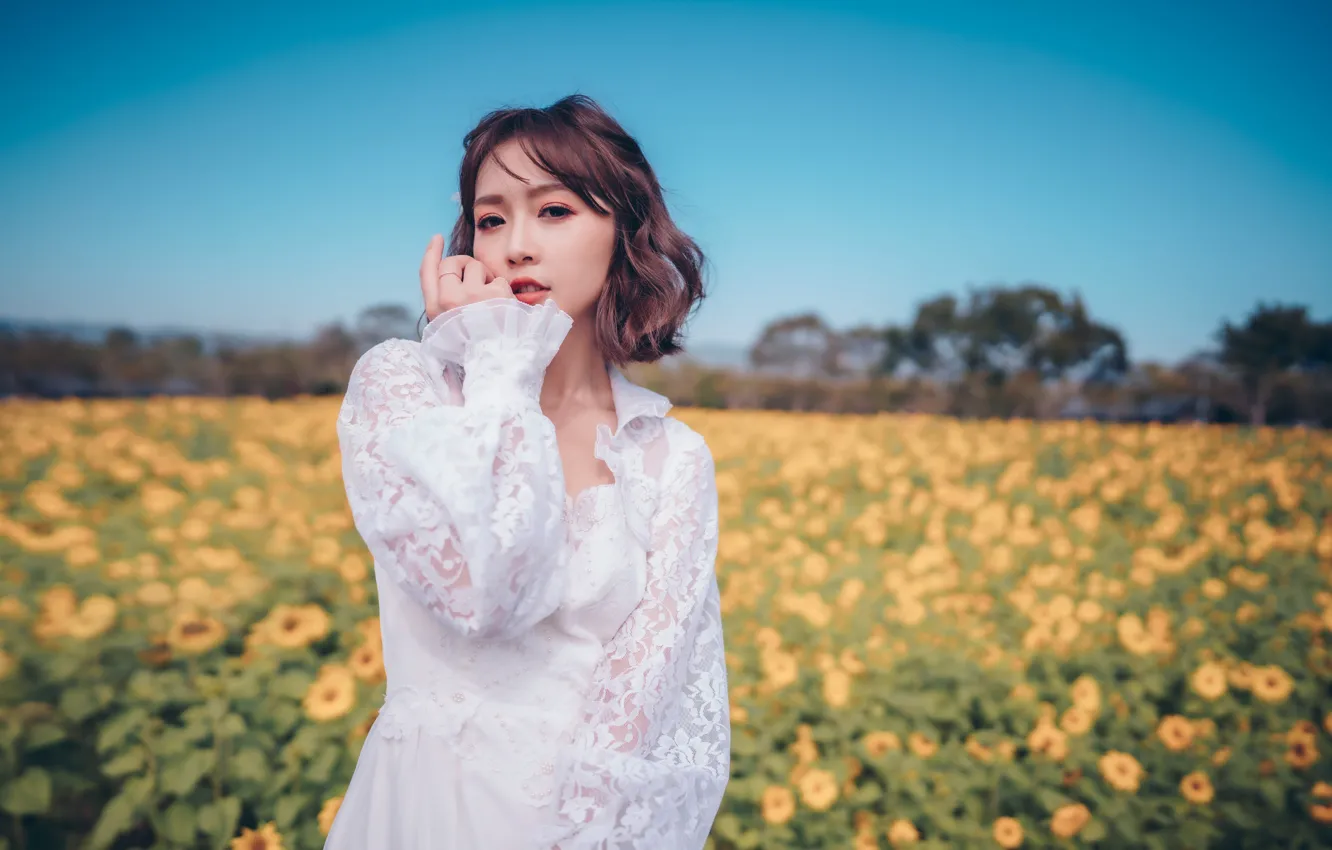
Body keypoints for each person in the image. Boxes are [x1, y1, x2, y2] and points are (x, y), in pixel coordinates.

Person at [323, 94, 730, 850]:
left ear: (625, 233)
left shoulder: (671, 458)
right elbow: (485, 592)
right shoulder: (404, 389)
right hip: (422, 813)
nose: (515, 247)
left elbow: (643, 710)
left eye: (554, 211)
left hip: (578, 829)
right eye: (491, 218)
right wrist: (499, 358)